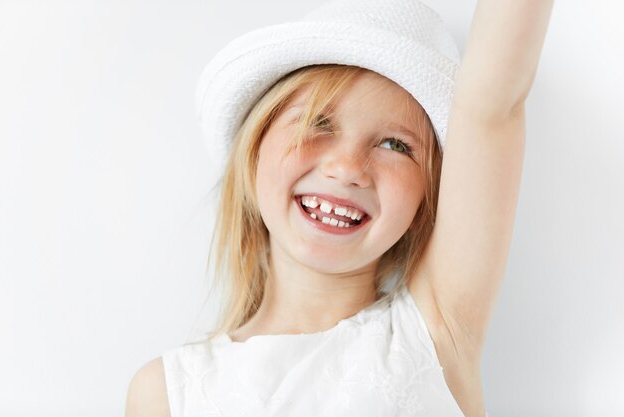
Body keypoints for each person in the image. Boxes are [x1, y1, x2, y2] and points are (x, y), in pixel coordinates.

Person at [125, 0, 553, 416]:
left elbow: (492, 106)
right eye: (318, 123)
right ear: (254, 146)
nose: (348, 169)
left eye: (395, 145)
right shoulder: (166, 393)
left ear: (426, 197)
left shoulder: (434, 334)